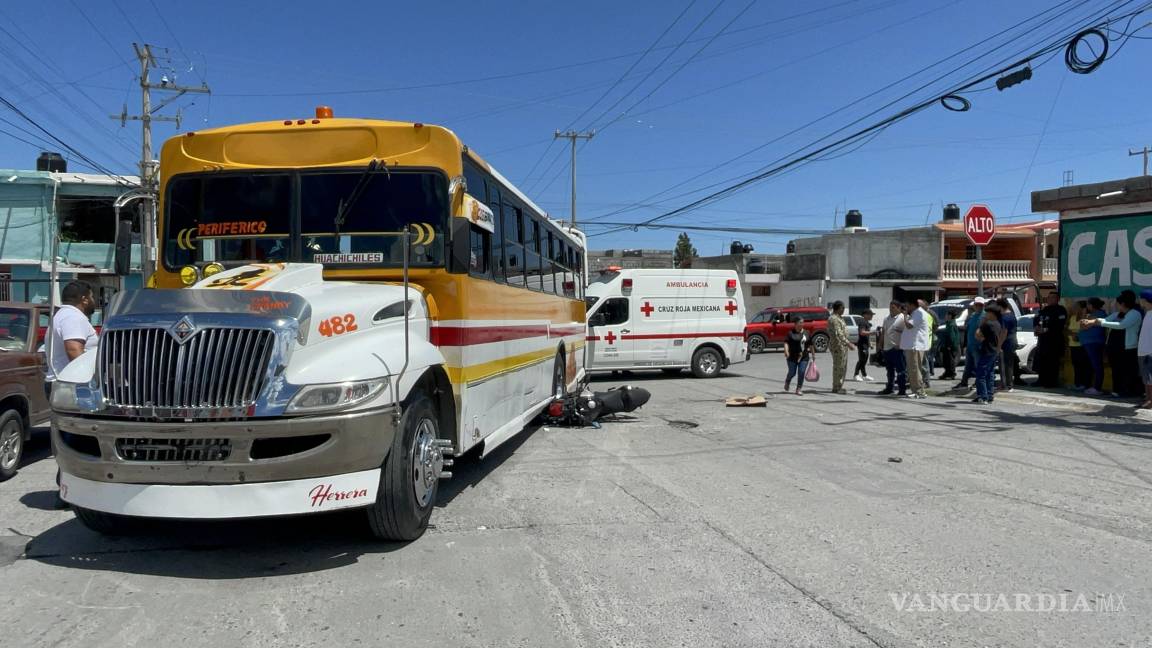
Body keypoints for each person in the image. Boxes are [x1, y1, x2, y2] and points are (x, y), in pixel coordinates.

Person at [45, 280, 99, 398]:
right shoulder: (73, 317)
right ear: (84, 299)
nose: (93, 301)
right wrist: (89, 383)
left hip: (64, 384)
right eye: (92, 297)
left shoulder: (63, 315)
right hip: (72, 386)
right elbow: (73, 351)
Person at [1082, 292, 1142, 398]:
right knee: (1116, 369)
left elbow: (1121, 325)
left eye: (1117, 304)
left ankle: (1129, 391)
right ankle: (1117, 390)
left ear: (1123, 304)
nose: (1116, 306)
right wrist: (1090, 321)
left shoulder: (1134, 314)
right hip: (1114, 346)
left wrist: (1099, 323)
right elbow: (1106, 320)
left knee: (1128, 370)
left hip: (1128, 348)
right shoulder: (1118, 314)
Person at [1033, 292, 1068, 388]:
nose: (1050, 299)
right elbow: (1037, 319)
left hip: (1054, 341)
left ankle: (1051, 382)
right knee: (1042, 361)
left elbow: (1060, 324)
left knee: (1052, 362)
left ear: (1057, 299)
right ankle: (1041, 380)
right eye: (1049, 297)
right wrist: (1036, 328)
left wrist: (1046, 329)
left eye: (1053, 297)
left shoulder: (1060, 310)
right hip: (1043, 341)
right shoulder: (1044, 309)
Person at [972, 302, 1003, 404]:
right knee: (990, 374)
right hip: (994, 351)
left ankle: (983, 396)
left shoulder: (988, 324)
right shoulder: (998, 324)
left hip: (986, 351)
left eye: (987, 312)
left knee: (981, 374)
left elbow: (977, 335)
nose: (986, 314)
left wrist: (982, 322)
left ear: (992, 313)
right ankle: (989, 395)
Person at [954, 297, 986, 390]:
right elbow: (968, 330)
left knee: (978, 366)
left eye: (980, 305)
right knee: (968, 366)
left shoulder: (984, 316)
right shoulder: (972, 316)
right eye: (977, 305)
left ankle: (978, 383)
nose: (978, 307)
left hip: (978, 345)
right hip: (970, 345)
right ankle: (964, 382)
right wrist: (965, 345)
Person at [901, 300, 930, 399]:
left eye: (907, 305)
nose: (906, 308)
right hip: (912, 346)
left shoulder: (919, 313)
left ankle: (919, 391)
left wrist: (904, 316)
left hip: (916, 346)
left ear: (913, 305)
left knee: (915, 369)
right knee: (912, 369)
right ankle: (915, 390)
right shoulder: (915, 313)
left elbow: (909, 326)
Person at [878, 301, 907, 396]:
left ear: (899, 308)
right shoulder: (886, 319)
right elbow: (883, 332)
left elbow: (907, 333)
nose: (891, 309)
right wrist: (880, 344)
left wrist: (902, 344)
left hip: (897, 348)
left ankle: (902, 389)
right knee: (889, 370)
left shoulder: (903, 318)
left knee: (900, 370)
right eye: (890, 307)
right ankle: (889, 388)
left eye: (893, 307)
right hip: (887, 348)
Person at [1080, 297, 1107, 395]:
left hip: (1094, 343)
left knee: (1097, 365)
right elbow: (1082, 325)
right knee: (1091, 365)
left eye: (1088, 304)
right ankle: (1090, 385)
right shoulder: (1091, 314)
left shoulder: (1100, 314)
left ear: (1091, 305)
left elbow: (1083, 325)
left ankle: (1097, 387)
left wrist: (1084, 315)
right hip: (1089, 343)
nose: (1087, 306)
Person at [827, 301, 855, 394]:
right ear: (838, 308)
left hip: (841, 346)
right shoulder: (834, 319)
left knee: (842, 367)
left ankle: (838, 386)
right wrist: (848, 343)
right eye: (842, 308)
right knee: (839, 367)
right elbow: (839, 334)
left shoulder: (839, 318)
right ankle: (836, 387)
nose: (843, 310)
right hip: (838, 346)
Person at [783, 316, 815, 396]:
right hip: (792, 357)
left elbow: (811, 344)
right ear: (795, 324)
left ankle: (798, 389)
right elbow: (786, 342)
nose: (802, 324)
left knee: (801, 372)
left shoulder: (807, 333)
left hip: (804, 357)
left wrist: (813, 354)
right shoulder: (790, 333)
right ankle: (787, 381)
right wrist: (786, 351)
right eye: (800, 322)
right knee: (792, 372)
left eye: (802, 322)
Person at [995, 298, 1018, 393]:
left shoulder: (1004, 317)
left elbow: (1004, 332)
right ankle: (1007, 384)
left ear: (1000, 306)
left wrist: (999, 345)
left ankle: (1007, 385)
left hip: (1006, 342)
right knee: (1008, 364)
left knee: (1004, 364)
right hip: (1012, 340)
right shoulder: (1012, 315)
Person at [1067, 300, 1090, 391]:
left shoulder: (1087, 318)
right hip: (1072, 345)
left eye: (1076, 307)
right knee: (1076, 364)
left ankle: (1084, 384)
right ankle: (1077, 383)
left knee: (1083, 364)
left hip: (1082, 345)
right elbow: (1067, 329)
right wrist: (1072, 334)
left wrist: (1077, 335)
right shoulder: (1072, 317)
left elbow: (1084, 330)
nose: (1074, 308)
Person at [1136, 289, 1152, 408]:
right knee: (1146, 378)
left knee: (1150, 378)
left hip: (1149, 351)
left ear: (1145, 300)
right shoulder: (1147, 313)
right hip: (1143, 350)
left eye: (1140, 298)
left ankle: (1150, 400)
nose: (1139, 301)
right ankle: (1148, 399)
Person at [853, 309, 875, 382]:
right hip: (862, 344)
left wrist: (869, 343)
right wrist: (872, 332)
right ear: (865, 315)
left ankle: (864, 375)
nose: (872, 316)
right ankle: (856, 375)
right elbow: (862, 332)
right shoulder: (862, 322)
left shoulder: (867, 322)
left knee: (864, 360)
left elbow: (866, 335)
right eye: (870, 315)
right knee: (861, 360)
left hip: (865, 344)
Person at [939, 309, 960, 380]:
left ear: (950, 316)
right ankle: (947, 372)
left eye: (947, 315)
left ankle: (951, 373)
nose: (945, 316)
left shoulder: (951, 324)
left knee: (950, 360)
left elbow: (952, 336)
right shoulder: (949, 323)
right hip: (947, 345)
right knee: (946, 360)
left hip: (950, 346)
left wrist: (950, 345)